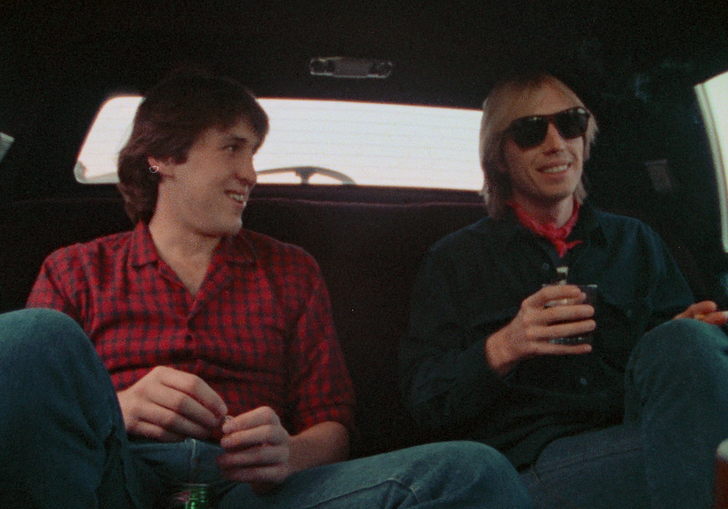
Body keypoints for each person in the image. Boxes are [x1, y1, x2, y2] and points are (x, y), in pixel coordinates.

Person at [7, 71, 533, 508]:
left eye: (254, 152)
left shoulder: (289, 270)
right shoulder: (76, 269)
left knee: (473, 471)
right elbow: (27, 407)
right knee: (32, 336)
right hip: (115, 480)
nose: (251, 173)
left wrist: (289, 455)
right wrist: (114, 411)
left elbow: (333, 426)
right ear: (162, 158)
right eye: (233, 149)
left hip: (255, 494)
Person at [399, 71, 728, 509]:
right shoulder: (456, 260)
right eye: (530, 131)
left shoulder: (636, 240)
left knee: (687, 340)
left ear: (584, 137)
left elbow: (678, 383)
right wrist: (503, 347)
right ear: (499, 157)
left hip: (638, 427)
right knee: (705, 453)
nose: (555, 143)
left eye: (570, 123)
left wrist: (681, 339)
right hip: (532, 464)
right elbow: (425, 404)